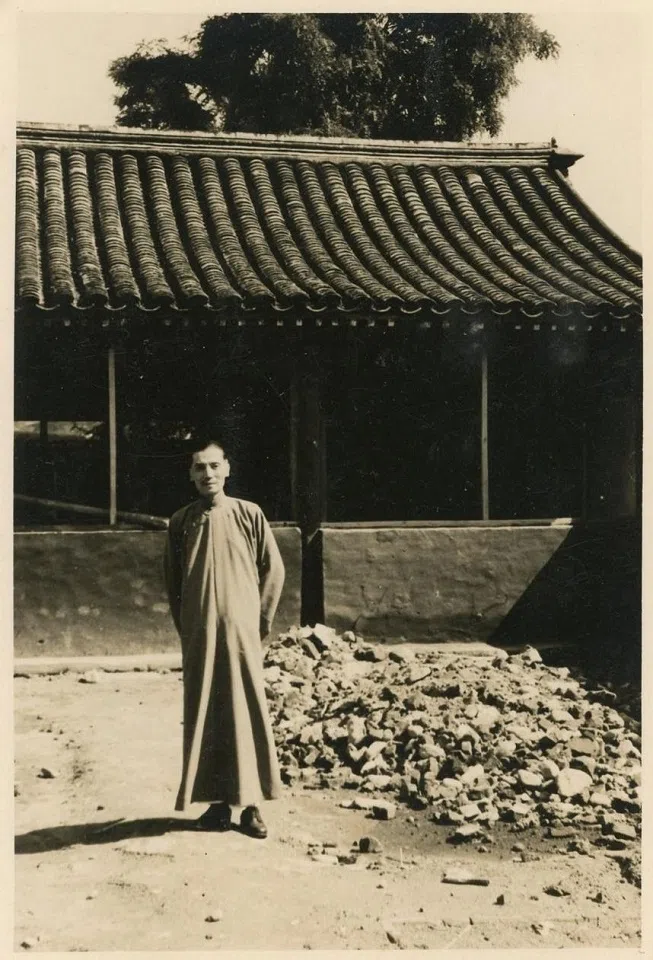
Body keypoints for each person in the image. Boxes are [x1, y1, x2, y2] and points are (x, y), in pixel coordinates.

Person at [164, 440, 285, 838]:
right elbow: (173, 581)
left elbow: (274, 570)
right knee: (206, 711)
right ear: (190, 474)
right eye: (199, 468)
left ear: (227, 469)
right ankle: (217, 805)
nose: (207, 474)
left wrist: (258, 621)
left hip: (241, 635)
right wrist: (190, 627)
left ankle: (251, 806)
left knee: (245, 709)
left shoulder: (249, 514)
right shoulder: (182, 521)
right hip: (200, 635)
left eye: (214, 466)